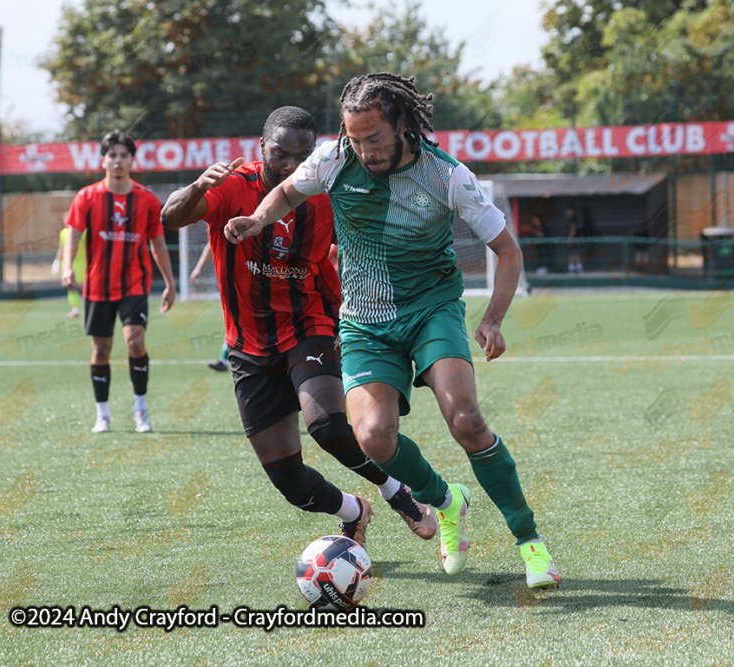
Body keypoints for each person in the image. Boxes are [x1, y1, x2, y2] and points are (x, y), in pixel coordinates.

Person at [224, 75, 559, 589]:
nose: (364, 150)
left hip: (431, 310)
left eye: (373, 138)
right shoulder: (335, 160)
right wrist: (256, 218)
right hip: (365, 322)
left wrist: (491, 319)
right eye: (354, 138)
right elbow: (288, 193)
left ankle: (530, 541)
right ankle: (447, 501)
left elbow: (508, 252)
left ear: (402, 126)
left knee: (466, 421)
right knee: (374, 438)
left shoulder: (448, 176)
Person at [161, 106, 436, 549]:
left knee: (327, 425)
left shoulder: (326, 195)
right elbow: (170, 218)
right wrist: (197, 186)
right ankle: (353, 510)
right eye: (279, 154)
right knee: (289, 480)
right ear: (261, 147)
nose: (290, 164)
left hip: (309, 324)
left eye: (302, 154)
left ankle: (397, 493)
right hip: (248, 345)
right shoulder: (233, 186)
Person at [61, 130, 177, 434]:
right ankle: (103, 414)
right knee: (101, 349)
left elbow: (158, 244)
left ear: (131, 159)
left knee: (135, 342)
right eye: (112, 155)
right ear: (103, 160)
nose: (118, 160)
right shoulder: (87, 197)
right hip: (98, 285)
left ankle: (141, 409)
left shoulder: (147, 199)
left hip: (135, 285)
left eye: (124, 155)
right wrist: (67, 267)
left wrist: (170, 282)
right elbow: (73, 234)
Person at [188, 243, 231, 371]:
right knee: (235, 321)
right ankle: (224, 359)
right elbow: (211, 243)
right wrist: (199, 268)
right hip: (232, 277)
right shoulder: (220, 225)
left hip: (251, 275)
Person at [52, 212, 86, 318]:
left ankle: (91, 308)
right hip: (69, 263)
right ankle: (75, 310)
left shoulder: (84, 231)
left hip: (82, 262)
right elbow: (62, 249)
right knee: (71, 286)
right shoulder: (63, 233)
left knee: (84, 286)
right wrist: (56, 262)